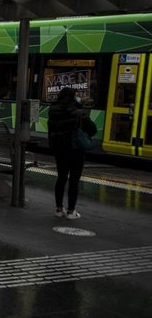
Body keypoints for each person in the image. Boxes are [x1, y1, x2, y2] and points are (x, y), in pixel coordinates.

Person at [48, 86, 96, 219]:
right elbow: (92, 130)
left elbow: (51, 129)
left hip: (60, 149)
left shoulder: (53, 110)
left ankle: (58, 209)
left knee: (61, 178)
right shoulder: (79, 112)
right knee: (74, 180)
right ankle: (71, 211)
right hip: (76, 150)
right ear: (73, 98)